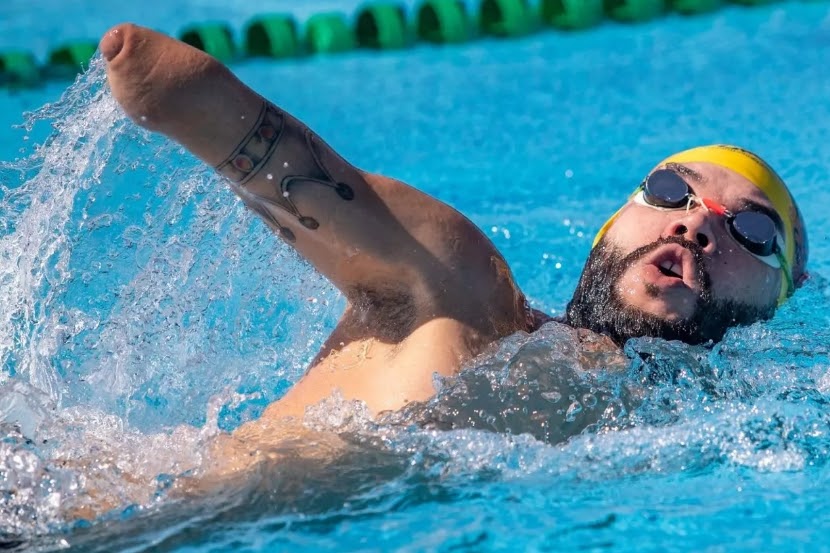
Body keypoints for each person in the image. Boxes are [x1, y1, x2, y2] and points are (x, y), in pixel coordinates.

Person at [99, 24, 808, 429]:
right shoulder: (467, 296)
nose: (693, 224)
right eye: (669, 190)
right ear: (608, 228)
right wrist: (194, 102)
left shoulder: (708, 415)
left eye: (751, 230)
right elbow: (173, 87)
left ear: (779, 299)